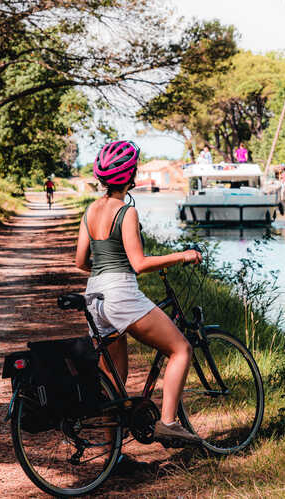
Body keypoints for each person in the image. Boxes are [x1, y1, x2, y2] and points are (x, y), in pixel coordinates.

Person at [75, 140, 203, 445]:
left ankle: (113, 455)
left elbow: (80, 262)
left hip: (94, 297)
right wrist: (182, 255)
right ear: (130, 176)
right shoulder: (126, 212)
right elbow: (139, 263)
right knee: (181, 349)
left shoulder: (89, 211)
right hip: (121, 295)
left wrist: (105, 267)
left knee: (112, 382)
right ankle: (168, 423)